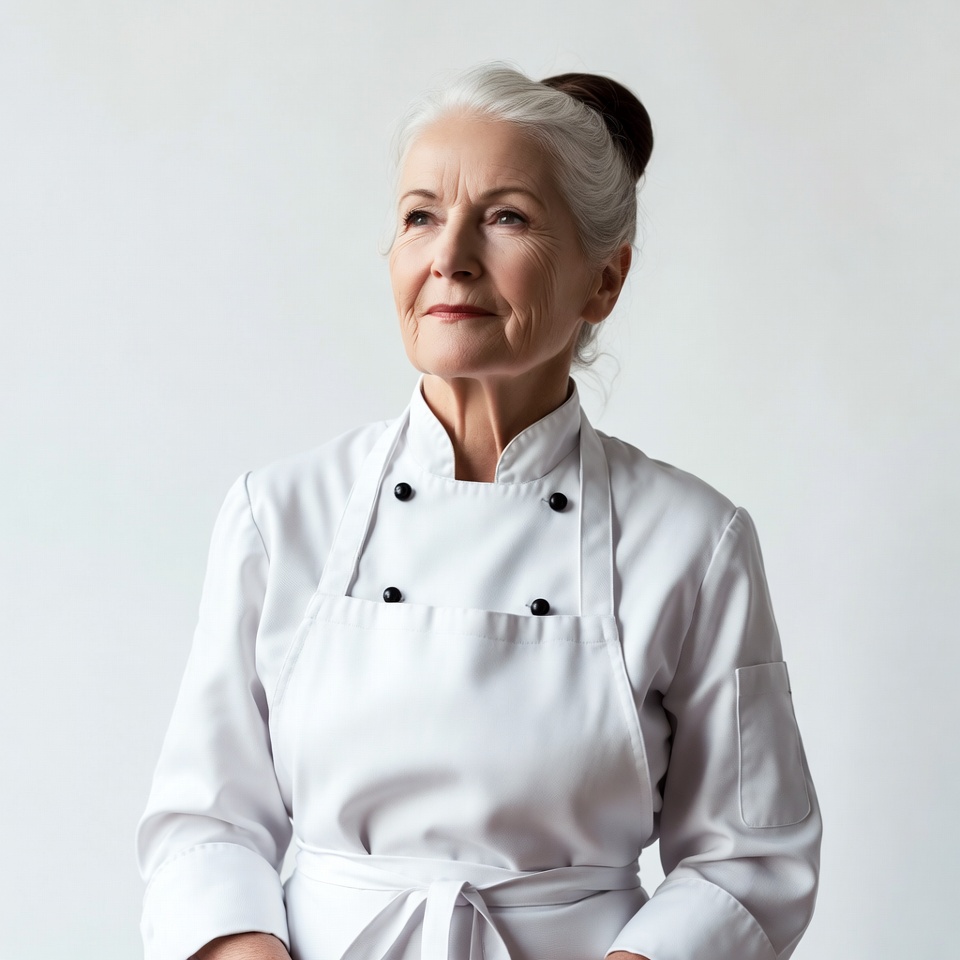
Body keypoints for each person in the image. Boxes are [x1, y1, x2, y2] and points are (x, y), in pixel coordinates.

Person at [136, 64, 821, 960]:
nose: (449, 256)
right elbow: (203, 823)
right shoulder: (280, 513)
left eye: (506, 218)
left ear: (603, 280)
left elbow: (751, 861)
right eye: (421, 215)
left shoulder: (695, 542)